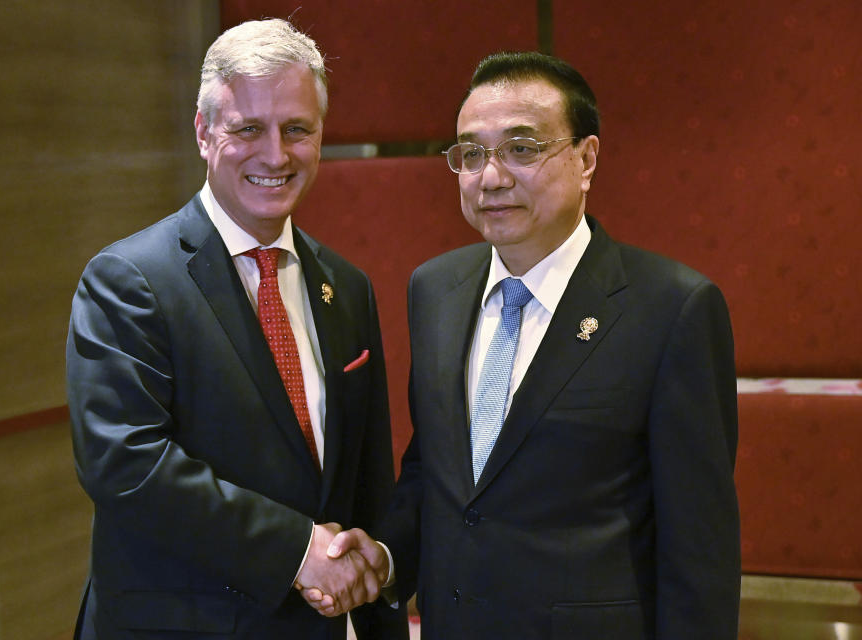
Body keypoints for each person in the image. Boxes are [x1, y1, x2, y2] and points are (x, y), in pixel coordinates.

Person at [314, 51, 741, 639]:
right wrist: (386, 556)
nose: (492, 177)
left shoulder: (672, 308)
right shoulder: (435, 289)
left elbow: (701, 547)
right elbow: (438, 470)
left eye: (522, 148)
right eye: (471, 154)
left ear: (586, 159)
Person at [65, 18, 407, 640]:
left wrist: (374, 597)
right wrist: (297, 550)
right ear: (203, 132)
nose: (275, 155)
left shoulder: (346, 287)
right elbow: (127, 465)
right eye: (247, 128)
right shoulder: (127, 279)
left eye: (296, 129)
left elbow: (366, 481)